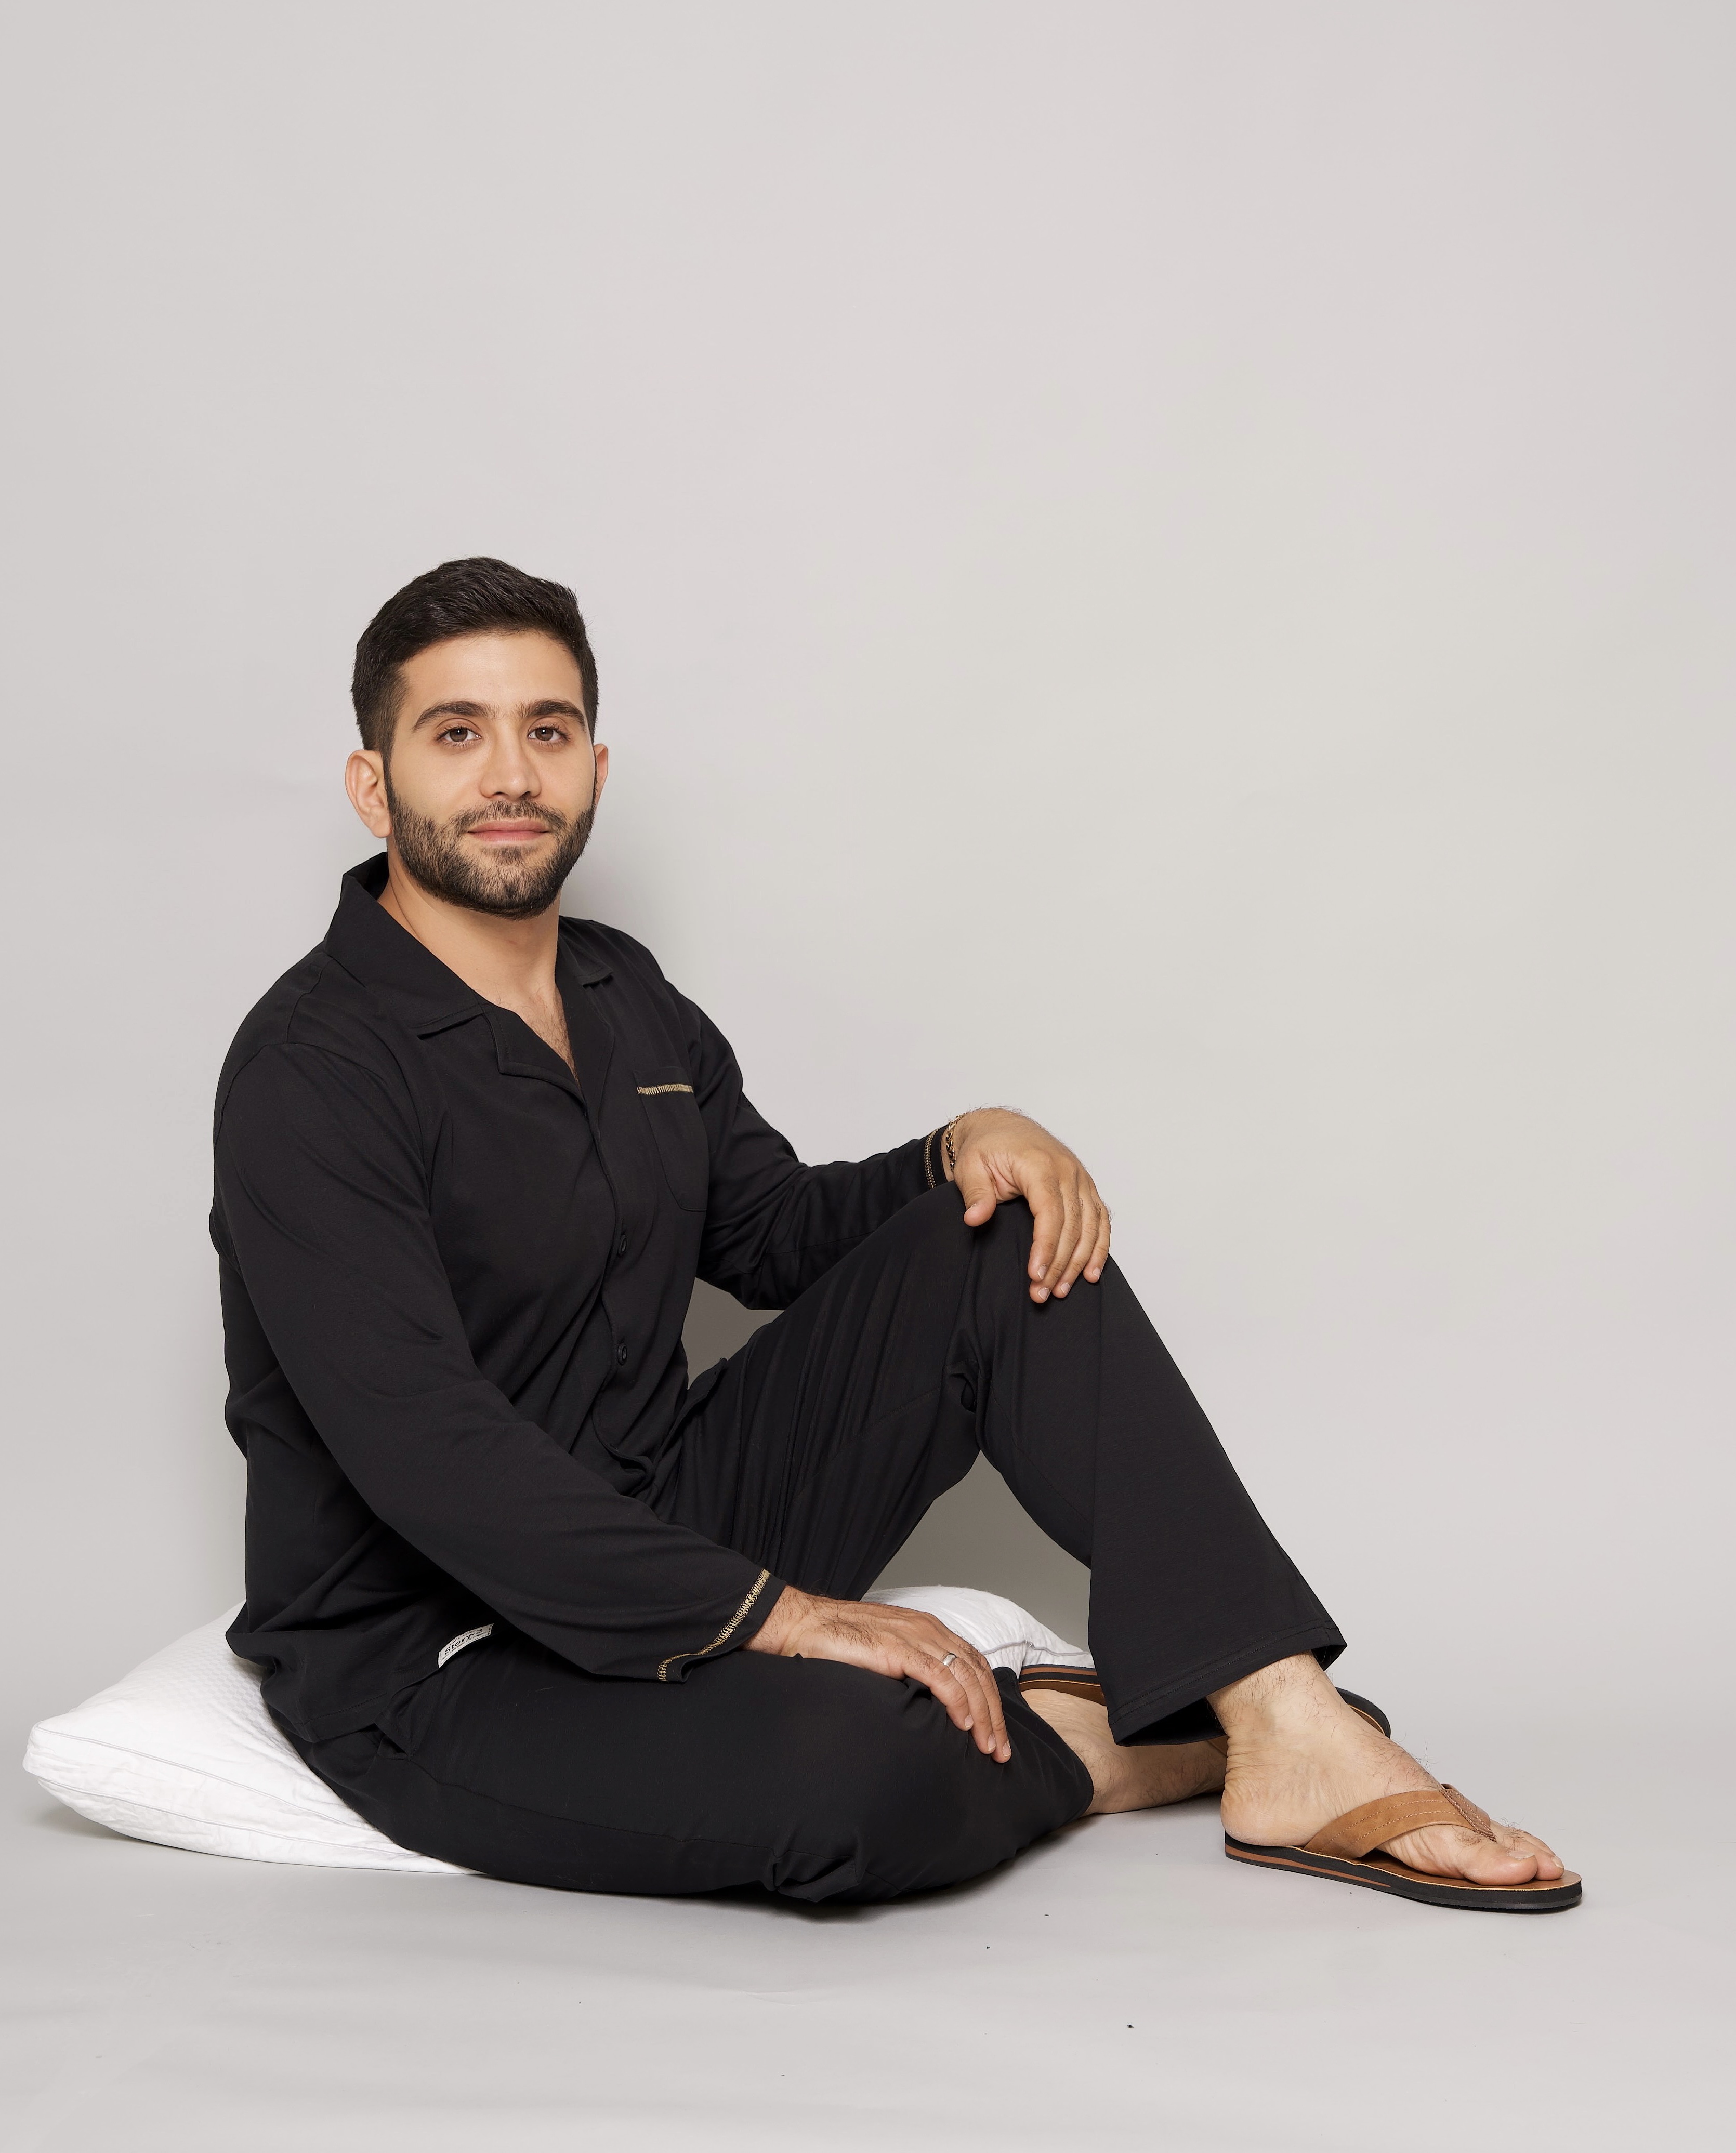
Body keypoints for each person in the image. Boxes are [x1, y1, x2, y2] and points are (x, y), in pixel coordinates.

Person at [212, 557, 1579, 1913]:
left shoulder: (625, 995)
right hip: (439, 1651)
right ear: (373, 785)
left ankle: (1282, 1717)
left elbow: (770, 1230)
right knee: (852, 1771)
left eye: (547, 730)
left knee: (996, 1234)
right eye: (458, 733)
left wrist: (958, 1147)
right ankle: (1102, 1744)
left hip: (665, 1511)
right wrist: (793, 1618)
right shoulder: (310, 1070)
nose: (512, 775)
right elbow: (431, 1453)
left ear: (596, 768)